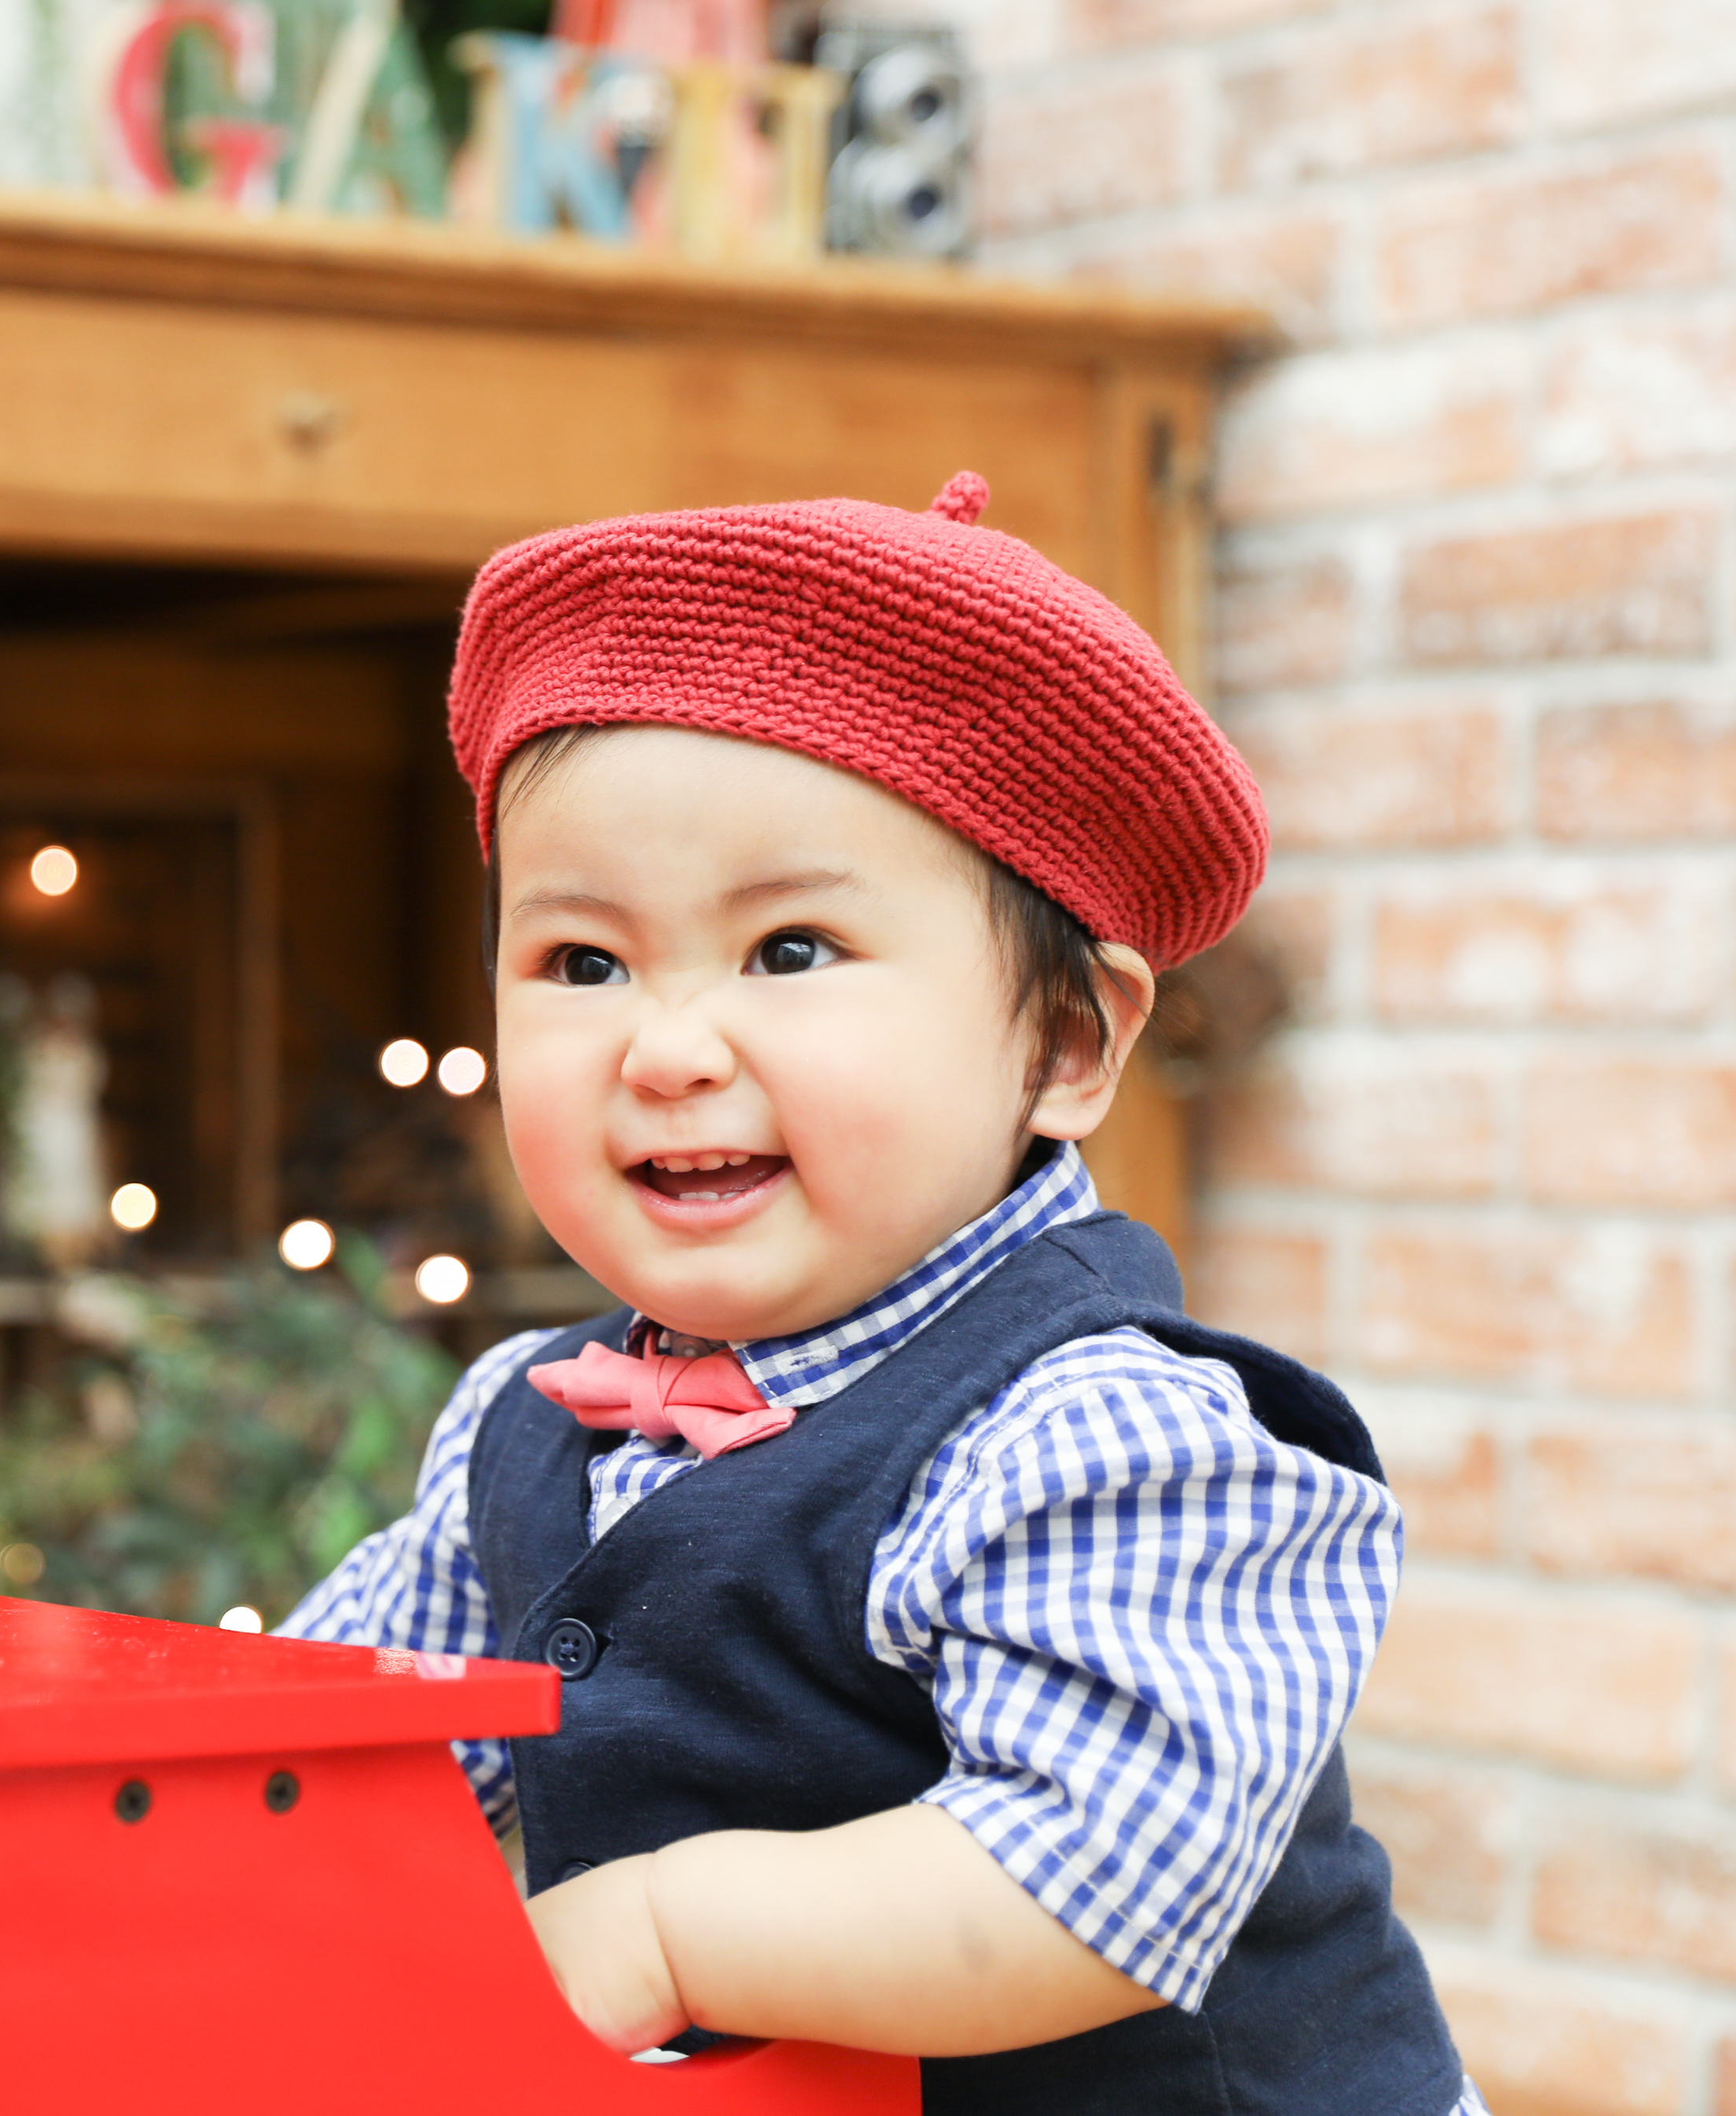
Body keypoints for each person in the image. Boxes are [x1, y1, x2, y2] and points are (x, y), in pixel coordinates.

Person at [282, 474, 1475, 2112]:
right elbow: (331, 1753)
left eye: (787, 951)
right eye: (580, 963)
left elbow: (1099, 1873)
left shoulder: (1103, 1436)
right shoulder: (527, 1420)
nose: (667, 1047)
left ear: (1063, 1046)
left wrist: (663, 1926)